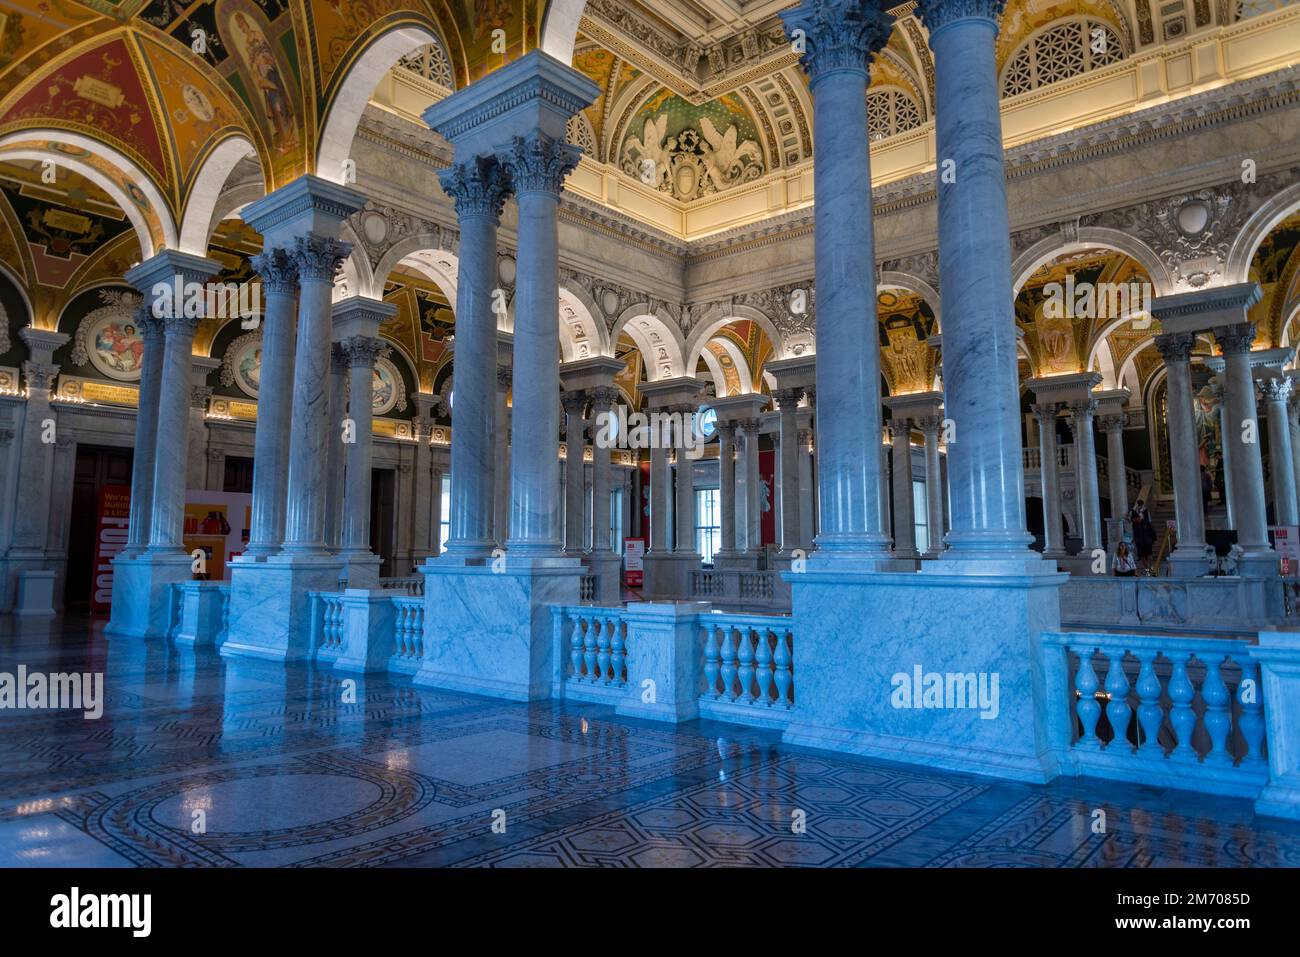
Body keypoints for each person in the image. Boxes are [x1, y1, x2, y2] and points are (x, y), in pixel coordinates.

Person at [1129, 499, 1154, 571]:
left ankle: (1150, 569)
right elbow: (1131, 522)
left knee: (1148, 554)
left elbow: (1149, 524)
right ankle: (1149, 569)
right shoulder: (1135, 512)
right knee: (1143, 555)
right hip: (1140, 539)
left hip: (1145, 539)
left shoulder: (1144, 511)